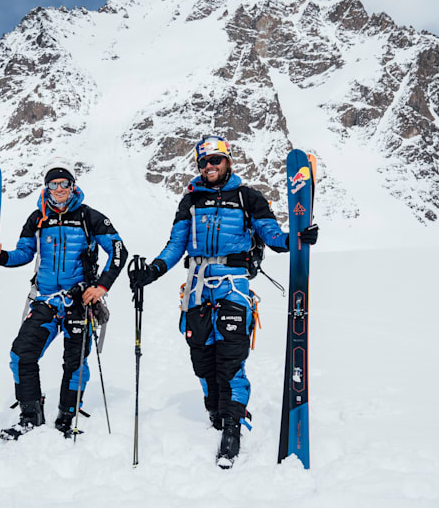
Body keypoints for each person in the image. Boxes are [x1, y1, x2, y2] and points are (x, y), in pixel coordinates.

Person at [128, 136, 318, 468]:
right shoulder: (190, 200)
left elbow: (271, 234)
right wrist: (153, 271)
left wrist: (294, 239)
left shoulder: (248, 197)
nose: (210, 167)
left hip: (233, 285)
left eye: (215, 161)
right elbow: (176, 245)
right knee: (202, 358)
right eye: (204, 162)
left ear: (227, 162)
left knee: (230, 358)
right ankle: (215, 409)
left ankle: (233, 425)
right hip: (197, 288)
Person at [0, 157, 127, 440]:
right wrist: (0, 257)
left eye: (64, 184)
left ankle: (67, 416)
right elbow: (24, 254)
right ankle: (31, 415)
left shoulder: (89, 217)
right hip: (45, 301)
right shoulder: (37, 219)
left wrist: (101, 288)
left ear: (73, 186)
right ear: (46, 187)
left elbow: (119, 251)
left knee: (75, 363)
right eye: (54, 184)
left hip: (79, 303)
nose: (59, 189)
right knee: (20, 355)